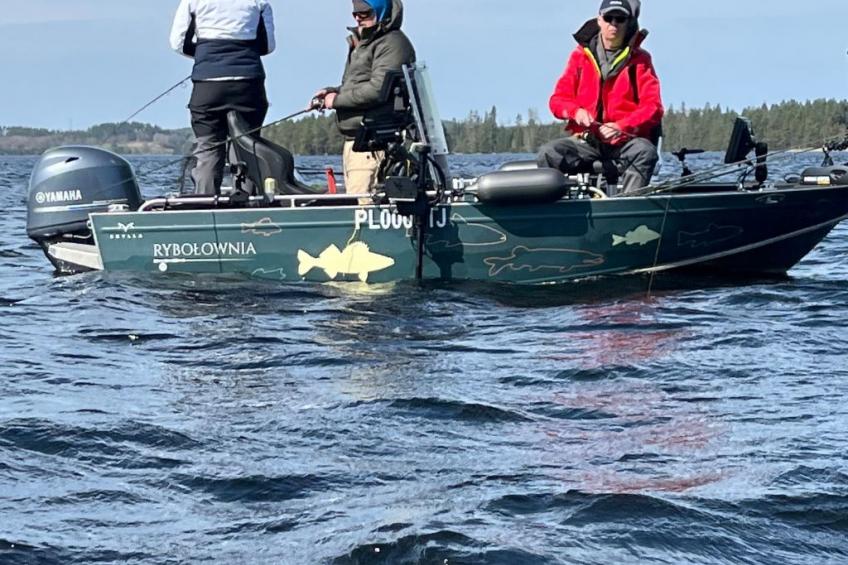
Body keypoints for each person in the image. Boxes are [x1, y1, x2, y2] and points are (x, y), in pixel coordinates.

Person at [537, 0, 664, 194]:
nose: (613, 24)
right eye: (608, 18)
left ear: (628, 23)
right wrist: (575, 112)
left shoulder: (641, 60)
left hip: (625, 143)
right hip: (587, 141)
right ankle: (556, 207)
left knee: (645, 152)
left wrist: (621, 126)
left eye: (620, 19)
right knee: (549, 153)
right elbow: (557, 100)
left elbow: (653, 107)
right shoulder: (579, 57)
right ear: (599, 20)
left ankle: (627, 205)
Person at [311, 0, 416, 203]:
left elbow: (378, 89)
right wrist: (331, 93)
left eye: (365, 13)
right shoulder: (365, 43)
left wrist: (337, 100)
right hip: (356, 143)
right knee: (357, 203)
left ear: (381, 11)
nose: (358, 17)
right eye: (355, 13)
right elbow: (358, 84)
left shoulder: (392, 43)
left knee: (363, 209)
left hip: (372, 144)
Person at [170, 0, 276, 195]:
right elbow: (267, 46)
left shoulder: (192, 2)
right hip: (248, 84)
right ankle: (247, 203)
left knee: (208, 150)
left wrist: (205, 54)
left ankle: (205, 203)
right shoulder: (259, 2)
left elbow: (178, 42)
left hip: (207, 84)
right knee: (247, 145)